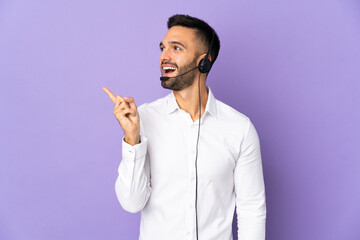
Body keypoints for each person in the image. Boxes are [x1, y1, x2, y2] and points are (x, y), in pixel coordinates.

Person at [103, 14, 266, 240]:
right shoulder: (144, 119)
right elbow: (131, 203)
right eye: (162, 48)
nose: (163, 56)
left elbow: (252, 210)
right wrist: (132, 139)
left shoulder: (240, 129)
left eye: (176, 48)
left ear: (204, 61)